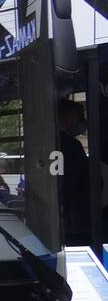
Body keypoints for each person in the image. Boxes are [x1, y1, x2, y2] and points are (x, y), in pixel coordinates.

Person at [58, 99, 90, 244]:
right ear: (67, 118)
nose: (82, 123)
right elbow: (79, 178)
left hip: (67, 219)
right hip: (77, 220)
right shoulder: (72, 145)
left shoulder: (51, 141)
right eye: (79, 117)